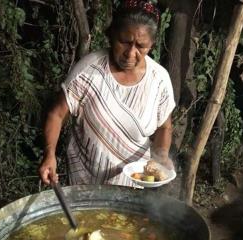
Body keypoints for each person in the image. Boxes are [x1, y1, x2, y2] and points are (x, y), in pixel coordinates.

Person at [39, 0, 175, 187]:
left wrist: (161, 157)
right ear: (111, 35)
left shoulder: (159, 79)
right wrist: (49, 155)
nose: (130, 53)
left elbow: (164, 127)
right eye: (124, 42)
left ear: (151, 44)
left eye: (141, 46)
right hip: (85, 178)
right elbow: (57, 114)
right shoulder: (89, 71)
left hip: (132, 184)